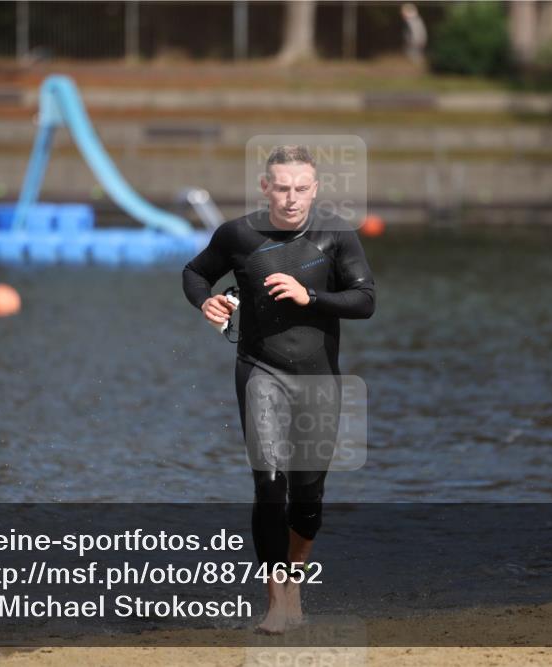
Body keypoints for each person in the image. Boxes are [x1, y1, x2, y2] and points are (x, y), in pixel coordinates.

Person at [182, 145, 375, 634]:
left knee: (307, 496)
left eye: (302, 188)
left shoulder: (336, 236)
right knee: (269, 485)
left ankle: (294, 586)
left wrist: (310, 296)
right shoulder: (237, 235)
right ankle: (276, 601)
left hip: (317, 379)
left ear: (316, 188)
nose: (292, 199)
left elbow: (365, 300)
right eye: (282, 188)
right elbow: (194, 272)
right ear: (266, 187)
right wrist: (206, 303)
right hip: (259, 370)